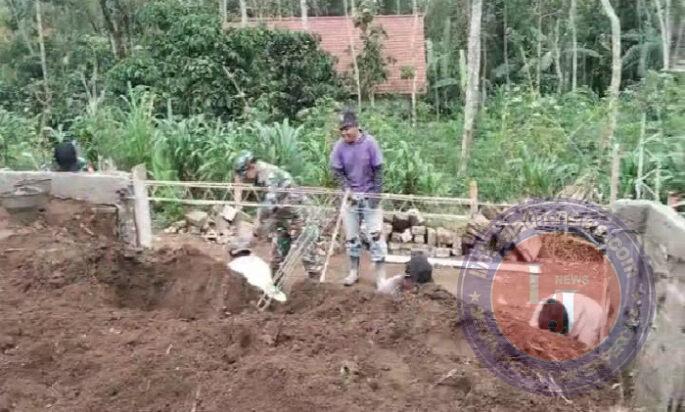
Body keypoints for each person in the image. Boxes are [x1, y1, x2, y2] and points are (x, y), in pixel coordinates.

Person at [232, 150, 322, 280]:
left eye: (244, 175)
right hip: (282, 218)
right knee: (277, 258)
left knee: (309, 257)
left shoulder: (271, 175)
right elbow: (264, 204)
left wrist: (257, 225)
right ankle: (274, 289)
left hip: (300, 217)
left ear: (251, 167)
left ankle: (315, 288)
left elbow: (268, 205)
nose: (245, 179)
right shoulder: (259, 177)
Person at [330, 110, 387, 286]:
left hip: (369, 194)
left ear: (356, 126)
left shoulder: (370, 143)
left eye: (347, 129)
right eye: (341, 130)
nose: (344, 133)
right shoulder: (339, 146)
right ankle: (353, 272)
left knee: (376, 236)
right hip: (351, 197)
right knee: (352, 238)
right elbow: (336, 171)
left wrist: (376, 195)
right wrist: (346, 188)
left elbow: (378, 169)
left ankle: (380, 277)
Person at [528, 292, 608, 348]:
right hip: (575, 306)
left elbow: (573, 347)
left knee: (583, 348)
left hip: (591, 316)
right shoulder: (541, 308)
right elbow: (532, 329)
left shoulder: (573, 320)